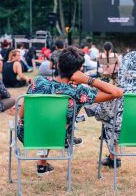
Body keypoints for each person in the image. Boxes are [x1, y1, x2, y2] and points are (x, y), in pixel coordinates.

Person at [17, 46, 123, 175]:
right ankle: (42, 164)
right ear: (79, 70)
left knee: (47, 121)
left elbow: (21, 114)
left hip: (28, 133)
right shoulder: (79, 92)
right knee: (58, 123)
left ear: (58, 65)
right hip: (60, 137)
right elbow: (117, 92)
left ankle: (42, 165)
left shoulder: (38, 82)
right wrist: (88, 79)